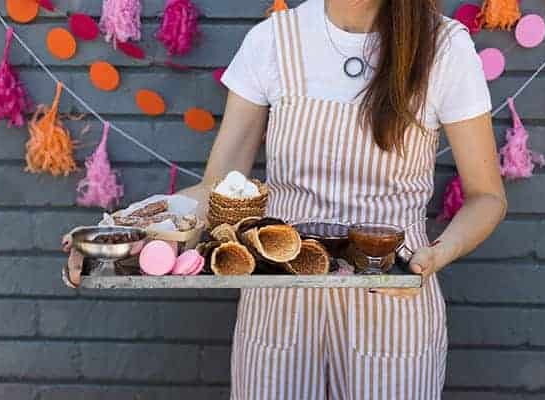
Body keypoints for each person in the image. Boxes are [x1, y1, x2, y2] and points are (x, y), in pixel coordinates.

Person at [63, 0, 507, 397]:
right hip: (278, 294)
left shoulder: (444, 46)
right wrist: (123, 233)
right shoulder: (273, 40)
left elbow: (487, 196)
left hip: (393, 294)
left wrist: (440, 252)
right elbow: (220, 187)